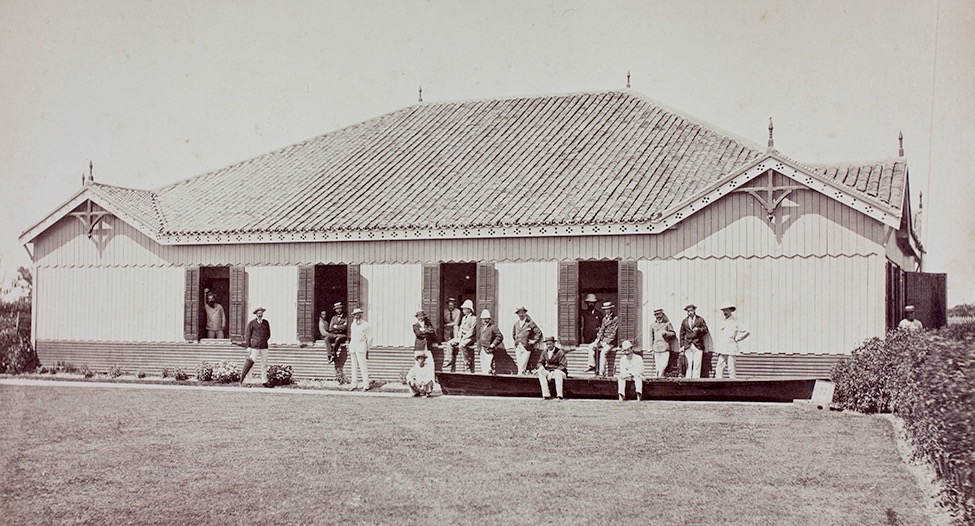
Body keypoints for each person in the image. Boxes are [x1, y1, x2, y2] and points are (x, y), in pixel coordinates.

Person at [715, 302, 750, 379]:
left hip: (731, 348)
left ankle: (733, 384)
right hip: (722, 348)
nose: (725, 312)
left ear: (731, 310)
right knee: (719, 368)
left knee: (731, 369)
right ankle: (718, 384)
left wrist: (737, 338)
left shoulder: (735, 322)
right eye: (724, 310)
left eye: (726, 310)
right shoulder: (722, 321)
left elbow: (747, 331)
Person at [585, 302, 619, 376]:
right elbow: (601, 330)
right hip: (603, 340)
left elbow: (614, 333)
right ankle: (592, 365)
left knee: (603, 352)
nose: (607, 311)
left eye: (608, 309)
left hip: (611, 342)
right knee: (591, 346)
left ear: (611, 309)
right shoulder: (604, 319)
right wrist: (598, 339)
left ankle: (601, 372)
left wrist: (606, 341)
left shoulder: (615, 319)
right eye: (605, 310)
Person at [443, 300, 476, 372]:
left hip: (469, 338)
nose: (463, 310)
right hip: (461, 337)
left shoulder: (474, 318)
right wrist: (459, 336)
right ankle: (449, 360)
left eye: (464, 309)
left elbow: (472, 331)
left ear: (469, 309)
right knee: (449, 343)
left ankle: (467, 362)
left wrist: (464, 338)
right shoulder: (464, 318)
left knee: (461, 345)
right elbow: (461, 327)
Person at [240, 307, 270, 384]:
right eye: (259, 313)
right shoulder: (252, 323)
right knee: (251, 364)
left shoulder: (266, 323)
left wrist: (263, 339)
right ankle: (248, 381)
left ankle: (264, 381)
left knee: (264, 364)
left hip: (264, 346)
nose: (260, 315)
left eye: (261, 313)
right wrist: (248, 346)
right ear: (256, 314)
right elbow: (248, 335)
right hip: (254, 346)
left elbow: (268, 334)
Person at [679, 304, 709, 379]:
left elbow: (705, 330)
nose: (690, 312)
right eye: (688, 311)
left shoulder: (700, 319)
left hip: (698, 345)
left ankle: (696, 381)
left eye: (691, 311)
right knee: (688, 365)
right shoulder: (684, 321)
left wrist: (698, 329)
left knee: (697, 365)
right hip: (688, 345)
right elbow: (681, 334)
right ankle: (688, 380)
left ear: (694, 310)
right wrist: (682, 346)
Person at [512, 306, 542, 375]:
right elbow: (513, 334)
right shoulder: (516, 324)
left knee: (522, 365)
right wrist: (516, 341)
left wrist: (533, 341)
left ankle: (519, 376)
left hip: (526, 347)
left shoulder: (530, 323)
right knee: (520, 364)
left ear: (525, 313)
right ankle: (521, 376)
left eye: (522, 313)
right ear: (517, 314)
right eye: (519, 313)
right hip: (518, 346)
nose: (521, 314)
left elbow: (538, 332)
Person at [348, 307, 372, 391]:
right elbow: (352, 336)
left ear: (361, 315)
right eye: (354, 315)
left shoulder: (365, 324)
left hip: (361, 347)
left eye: (357, 314)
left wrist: (368, 349)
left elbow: (369, 338)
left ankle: (366, 385)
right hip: (353, 347)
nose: (356, 316)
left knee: (363, 366)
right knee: (353, 366)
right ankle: (354, 384)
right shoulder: (353, 324)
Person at [537, 336, 568, 400]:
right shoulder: (545, 352)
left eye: (550, 344)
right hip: (549, 371)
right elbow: (540, 362)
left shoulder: (560, 352)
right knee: (541, 372)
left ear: (554, 343)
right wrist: (541, 367)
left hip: (560, 372)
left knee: (557, 373)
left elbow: (563, 365)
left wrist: (553, 372)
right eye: (547, 344)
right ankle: (546, 395)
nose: (548, 346)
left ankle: (559, 396)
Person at [649, 308, 677, 377]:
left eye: (659, 314)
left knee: (664, 365)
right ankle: (659, 378)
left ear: (662, 314)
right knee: (658, 366)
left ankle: (659, 376)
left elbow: (673, 334)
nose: (658, 316)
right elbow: (651, 338)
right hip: (656, 348)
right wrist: (651, 349)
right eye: (656, 315)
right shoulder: (652, 325)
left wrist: (666, 333)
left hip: (665, 348)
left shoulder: (667, 323)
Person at [476, 309, 504, 375]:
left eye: (486, 319)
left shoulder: (492, 327)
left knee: (489, 367)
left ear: (489, 319)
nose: (485, 320)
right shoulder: (481, 328)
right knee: (483, 367)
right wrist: (478, 346)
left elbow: (499, 337)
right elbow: (478, 338)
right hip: (482, 350)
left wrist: (493, 344)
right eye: (483, 319)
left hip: (489, 350)